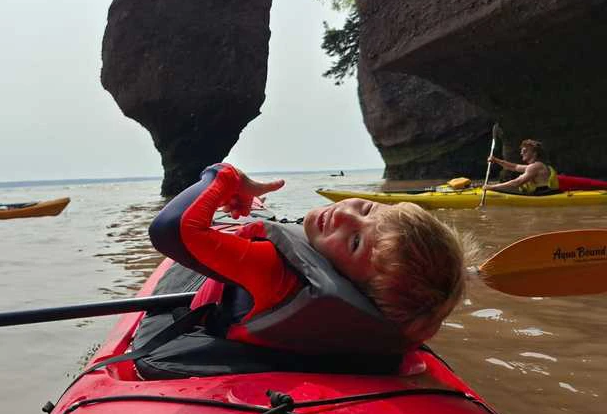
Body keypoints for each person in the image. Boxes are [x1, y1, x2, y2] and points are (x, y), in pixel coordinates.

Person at [149, 163, 476, 353]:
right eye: (366, 208)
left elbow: (170, 229)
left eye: (355, 242)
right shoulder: (373, 319)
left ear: (351, 287)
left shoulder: (275, 271)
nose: (345, 213)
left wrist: (226, 176)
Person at [483, 139, 559, 194]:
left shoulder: (535, 167)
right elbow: (514, 167)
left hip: (543, 194)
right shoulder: (535, 166)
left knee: (503, 189)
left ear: (534, 153)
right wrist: (496, 160)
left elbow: (517, 183)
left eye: (525, 151)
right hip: (540, 192)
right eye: (522, 151)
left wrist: (492, 187)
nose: (521, 153)